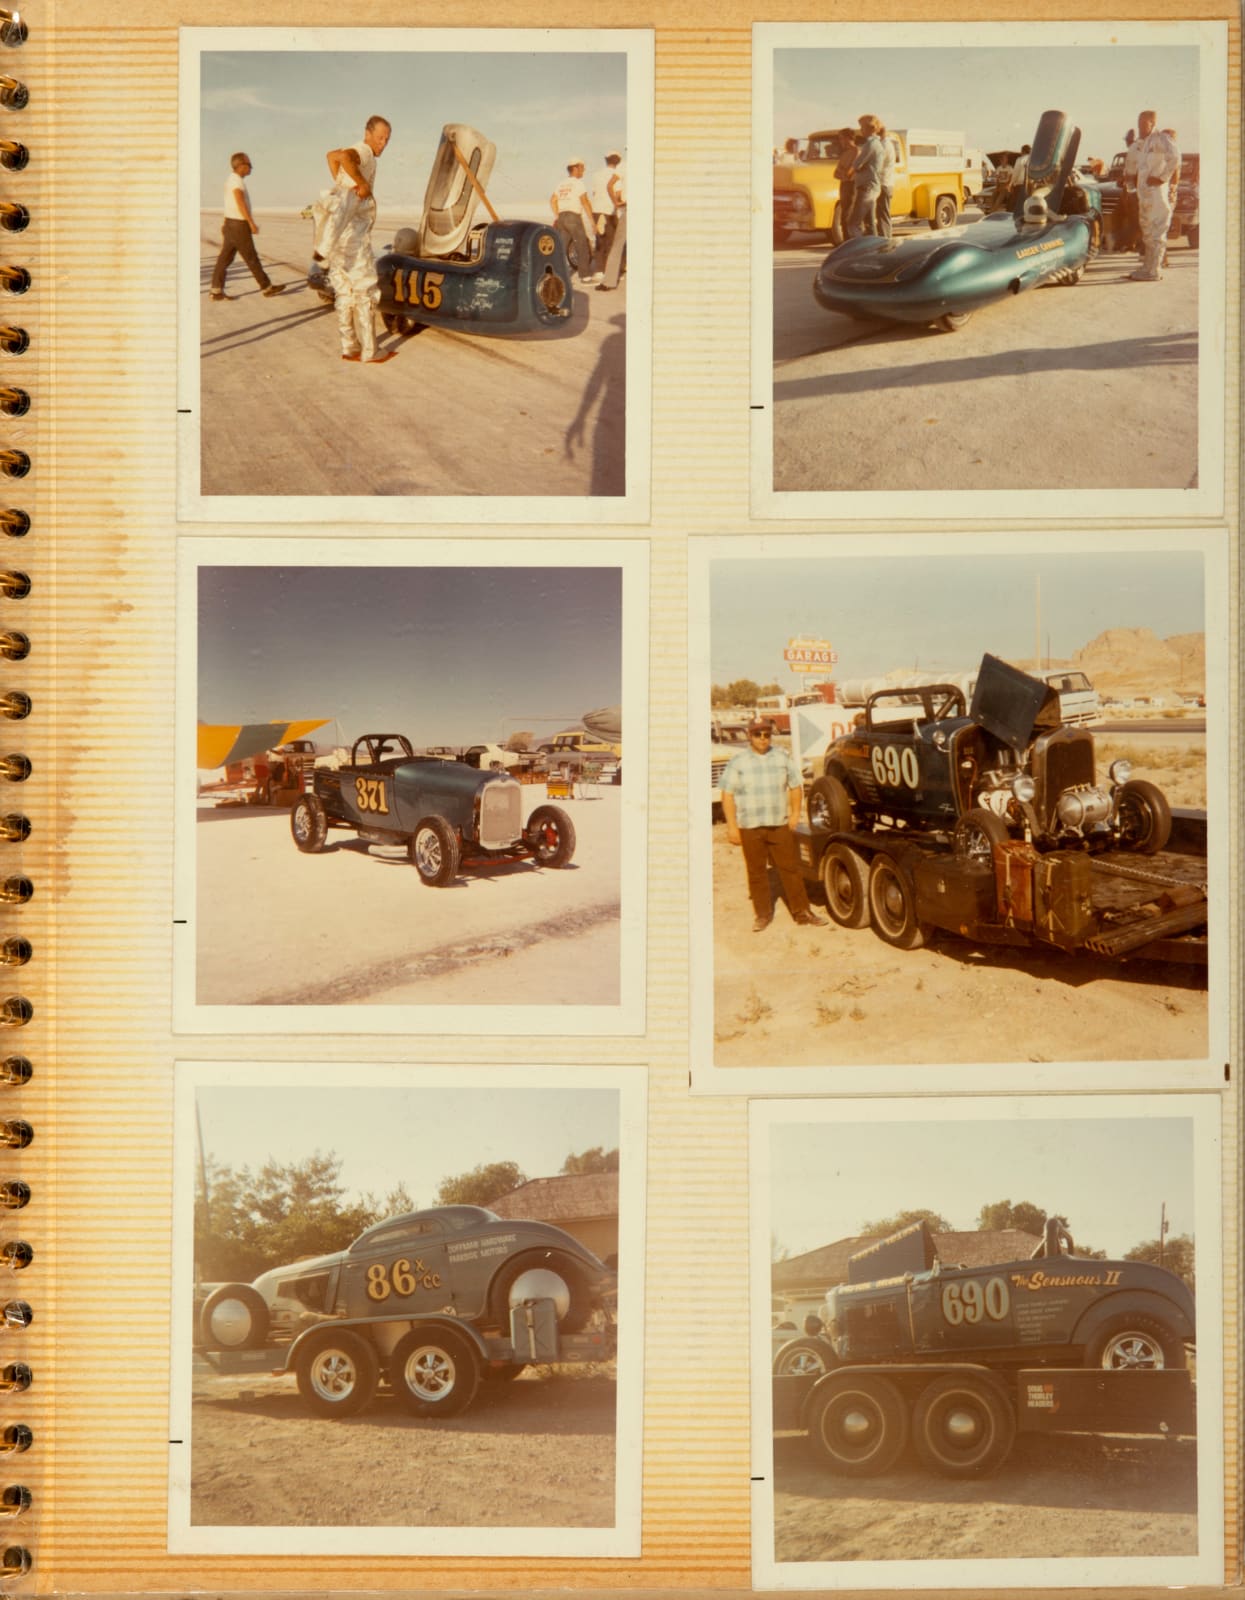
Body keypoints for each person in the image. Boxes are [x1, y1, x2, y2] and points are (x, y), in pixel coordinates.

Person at [719, 718, 827, 932]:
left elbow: (795, 786)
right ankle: (763, 915)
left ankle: (802, 912)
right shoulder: (738, 761)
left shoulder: (781, 757)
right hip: (750, 826)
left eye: (766, 734)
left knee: (791, 868)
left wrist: (796, 813)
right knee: (756, 871)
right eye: (758, 734)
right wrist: (732, 826)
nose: (762, 738)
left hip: (779, 825)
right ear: (750, 735)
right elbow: (727, 794)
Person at [317, 115, 394, 364]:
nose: (383, 143)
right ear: (368, 133)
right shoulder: (365, 152)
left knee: (344, 291)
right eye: (380, 137)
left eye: (387, 139)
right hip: (354, 237)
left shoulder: (357, 151)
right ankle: (371, 351)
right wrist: (361, 182)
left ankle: (349, 347)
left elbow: (332, 155)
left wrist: (342, 184)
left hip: (339, 234)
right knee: (365, 290)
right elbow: (346, 157)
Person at [209, 152, 285, 302]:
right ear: (241, 166)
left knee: (224, 258)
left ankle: (216, 290)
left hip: (231, 224)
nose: (251, 168)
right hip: (238, 224)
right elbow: (239, 201)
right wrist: (250, 222)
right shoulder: (236, 181)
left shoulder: (231, 179)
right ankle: (267, 288)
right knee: (251, 258)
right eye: (249, 165)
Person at [1129, 110, 1179, 281]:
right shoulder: (1143, 143)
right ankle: (1147, 267)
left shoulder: (1161, 139)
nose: (1140, 127)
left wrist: (1162, 178)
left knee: (1157, 232)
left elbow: (1175, 158)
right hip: (1145, 196)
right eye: (1139, 123)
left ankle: (1155, 270)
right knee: (1147, 232)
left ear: (1152, 123)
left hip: (1157, 195)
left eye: (1144, 124)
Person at [550, 158, 599, 285]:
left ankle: (554, 276)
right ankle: (586, 277)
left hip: (562, 217)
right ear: (575, 168)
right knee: (582, 245)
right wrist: (593, 222)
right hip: (573, 217)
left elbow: (553, 200)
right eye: (582, 168)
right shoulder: (578, 183)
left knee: (560, 248)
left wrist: (557, 215)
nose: (584, 170)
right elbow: (585, 202)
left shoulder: (561, 184)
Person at [847, 114, 885, 238]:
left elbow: (857, 164)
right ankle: (874, 250)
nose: (861, 130)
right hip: (873, 187)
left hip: (866, 188)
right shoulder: (877, 144)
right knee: (870, 225)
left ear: (870, 129)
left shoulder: (870, 145)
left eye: (862, 127)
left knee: (853, 224)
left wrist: (852, 171)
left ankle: (859, 252)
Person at [590, 150, 622, 277]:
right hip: (610, 211)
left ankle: (599, 270)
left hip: (597, 210)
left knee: (600, 241)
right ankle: (610, 271)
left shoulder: (596, 175)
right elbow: (618, 195)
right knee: (611, 242)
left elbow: (594, 193)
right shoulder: (617, 175)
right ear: (617, 161)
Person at [597, 156, 627, 291]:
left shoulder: (625, 166)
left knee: (617, 245)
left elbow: (610, 185)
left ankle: (608, 282)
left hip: (629, 208)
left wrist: (616, 203)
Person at [833, 128, 858, 241]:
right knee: (844, 214)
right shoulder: (845, 154)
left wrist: (843, 172)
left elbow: (849, 172)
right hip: (844, 185)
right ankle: (846, 240)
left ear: (848, 138)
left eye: (842, 138)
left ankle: (850, 241)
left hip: (852, 185)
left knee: (849, 215)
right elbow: (836, 173)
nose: (840, 141)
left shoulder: (856, 151)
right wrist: (843, 172)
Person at [873, 124, 896, 238]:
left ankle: (886, 238)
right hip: (887, 182)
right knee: (882, 213)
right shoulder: (887, 144)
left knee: (883, 214)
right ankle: (885, 237)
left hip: (883, 183)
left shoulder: (884, 145)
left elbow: (879, 165)